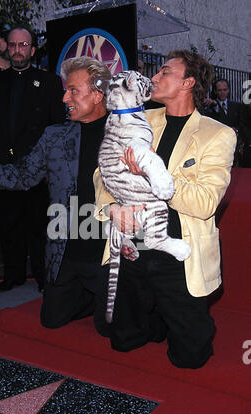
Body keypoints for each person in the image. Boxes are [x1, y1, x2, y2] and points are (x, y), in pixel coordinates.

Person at [94, 50, 236, 368]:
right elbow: (102, 171)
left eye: (165, 72)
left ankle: (182, 317)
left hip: (177, 252)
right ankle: (155, 315)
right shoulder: (138, 118)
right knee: (120, 340)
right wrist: (113, 206)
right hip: (132, 244)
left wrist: (152, 174)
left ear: (188, 82)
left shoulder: (218, 134)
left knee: (190, 358)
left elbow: (205, 202)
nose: (154, 78)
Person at [0, 56, 112, 336]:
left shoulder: (125, 134)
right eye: (65, 89)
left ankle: (121, 300)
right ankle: (92, 298)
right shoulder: (54, 136)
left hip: (107, 251)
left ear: (98, 94)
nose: (64, 98)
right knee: (52, 319)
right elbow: (21, 177)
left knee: (113, 331)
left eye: (73, 90)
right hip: (66, 249)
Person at [0, 24, 66, 292]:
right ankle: (12, 275)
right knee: (6, 224)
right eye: (12, 45)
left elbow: (58, 125)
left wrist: (52, 164)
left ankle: (41, 276)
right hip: (2, 165)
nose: (17, 50)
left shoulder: (50, 82)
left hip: (36, 168)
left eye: (23, 45)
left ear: (33, 50)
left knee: (38, 226)